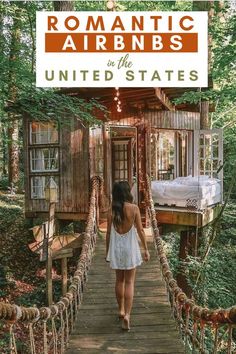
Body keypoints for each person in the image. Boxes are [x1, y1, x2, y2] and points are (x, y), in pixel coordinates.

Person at [106, 181, 150, 331]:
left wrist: (107, 252)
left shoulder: (111, 211)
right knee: (130, 282)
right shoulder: (134, 209)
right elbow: (141, 231)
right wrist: (146, 249)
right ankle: (128, 316)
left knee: (119, 280)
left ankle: (121, 309)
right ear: (127, 192)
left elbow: (107, 235)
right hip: (130, 249)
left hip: (117, 249)